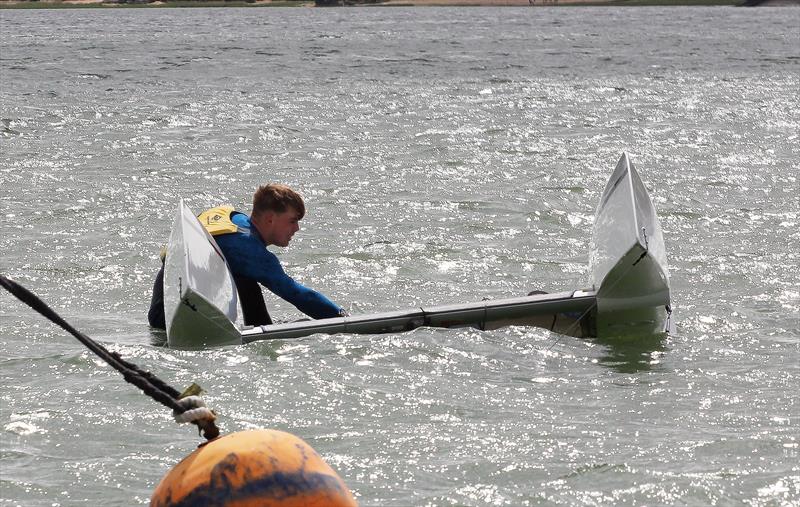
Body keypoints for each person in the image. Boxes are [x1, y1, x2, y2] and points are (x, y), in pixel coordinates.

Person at [148, 184, 346, 329]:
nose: (297, 228)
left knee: (244, 276)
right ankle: (262, 328)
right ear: (270, 219)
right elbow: (296, 294)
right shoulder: (249, 248)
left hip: (166, 297)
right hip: (172, 317)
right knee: (245, 274)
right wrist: (340, 316)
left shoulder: (231, 218)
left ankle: (261, 325)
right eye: (292, 221)